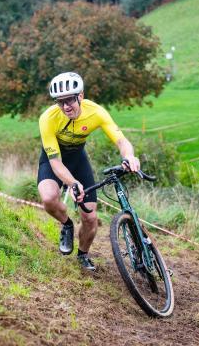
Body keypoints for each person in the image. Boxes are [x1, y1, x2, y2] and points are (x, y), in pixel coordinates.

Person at [37, 72, 140, 271]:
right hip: (54, 161)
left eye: (69, 100)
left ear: (81, 96)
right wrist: (73, 183)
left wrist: (129, 156)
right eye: (60, 102)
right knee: (49, 198)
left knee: (90, 217)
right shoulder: (48, 118)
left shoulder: (96, 112)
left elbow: (121, 140)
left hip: (78, 159)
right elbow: (56, 163)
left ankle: (83, 254)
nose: (66, 107)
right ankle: (67, 224)